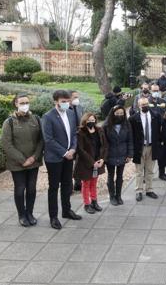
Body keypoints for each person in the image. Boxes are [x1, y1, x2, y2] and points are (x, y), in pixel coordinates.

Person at [1, 94, 43, 227]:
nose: (25, 105)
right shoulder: (9, 122)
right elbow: (6, 143)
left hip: (33, 161)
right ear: (16, 104)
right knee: (20, 189)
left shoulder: (36, 119)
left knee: (31, 189)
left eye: (27, 102)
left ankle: (30, 213)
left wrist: (34, 157)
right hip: (17, 163)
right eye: (22, 103)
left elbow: (41, 140)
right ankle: (22, 215)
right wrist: (22, 159)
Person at [42, 90, 81, 230]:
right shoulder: (48, 117)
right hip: (54, 158)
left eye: (67, 101)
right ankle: (53, 217)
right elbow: (48, 139)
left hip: (69, 155)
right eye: (63, 101)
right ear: (55, 102)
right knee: (53, 187)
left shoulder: (70, 113)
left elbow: (75, 134)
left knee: (67, 184)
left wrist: (73, 149)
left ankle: (66, 210)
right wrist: (64, 152)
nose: (66, 103)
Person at [130, 97, 162, 202]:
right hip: (140, 147)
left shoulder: (156, 116)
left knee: (150, 170)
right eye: (142, 105)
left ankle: (149, 189)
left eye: (146, 104)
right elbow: (131, 135)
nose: (145, 106)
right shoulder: (133, 118)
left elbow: (159, 130)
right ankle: (138, 191)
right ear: (138, 106)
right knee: (139, 171)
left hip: (152, 146)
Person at [75, 113, 107, 214]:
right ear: (84, 121)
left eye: (93, 120)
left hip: (98, 161)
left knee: (94, 183)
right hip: (86, 163)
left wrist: (102, 159)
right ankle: (87, 204)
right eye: (89, 120)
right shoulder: (80, 132)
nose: (91, 122)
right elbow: (80, 150)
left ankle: (94, 201)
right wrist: (92, 162)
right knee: (86, 184)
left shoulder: (99, 130)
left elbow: (104, 145)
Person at [103, 106, 133, 206]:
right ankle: (112, 196)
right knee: (111, 176)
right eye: (117, 113)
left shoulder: (127, 124)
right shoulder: (106, 125)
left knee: (120, 176)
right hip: (110, 154)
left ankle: (119, 196)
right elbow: (103, 142)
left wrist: (129, 154)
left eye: (121, 113)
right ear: (113, 113)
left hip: (122, 153)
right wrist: (104, 156)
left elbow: (130, 140)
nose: (119, 115)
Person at [70, 90, 84, 192]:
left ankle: (78, 183)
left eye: (77, 97)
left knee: (80, 161)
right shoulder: (66, 109)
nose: (76, 99)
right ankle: (68, 185)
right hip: (70, 138)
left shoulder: (79, 107)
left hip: (80, 137)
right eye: (74, 97)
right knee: (69, 162)